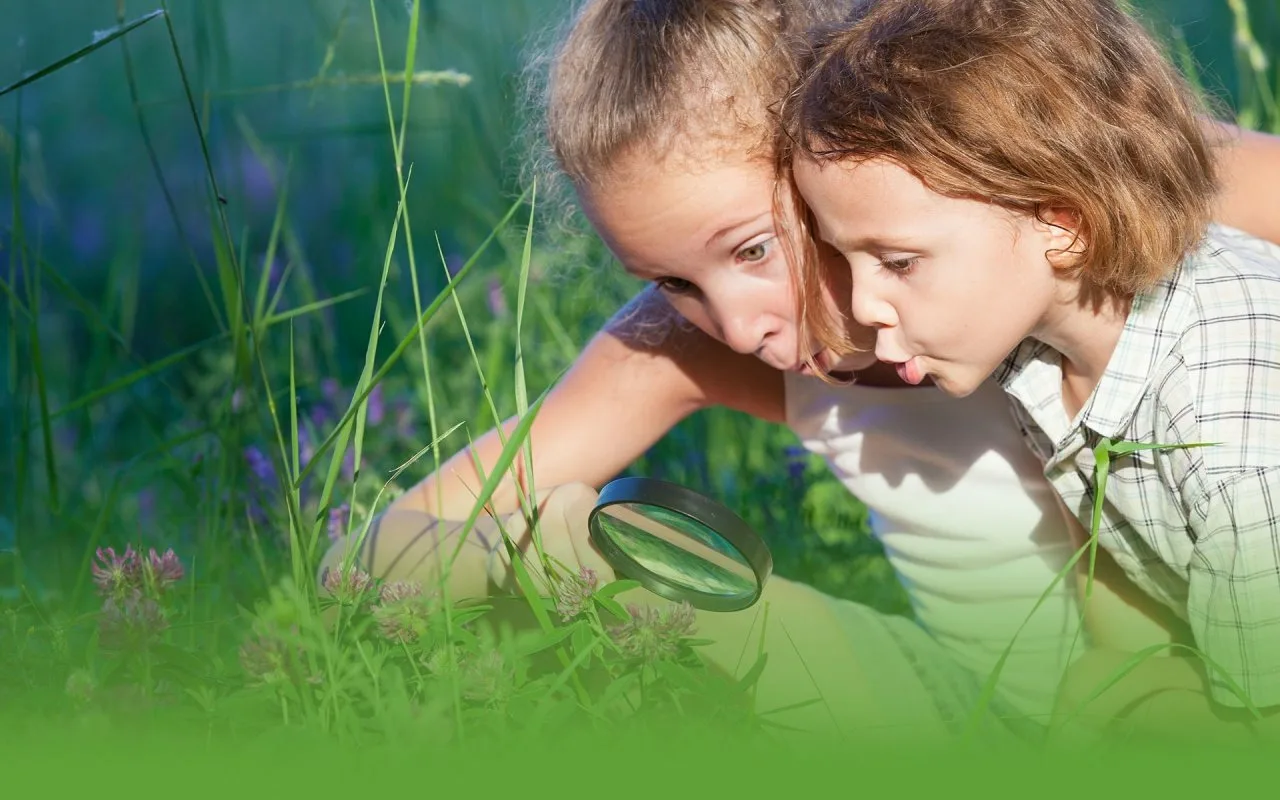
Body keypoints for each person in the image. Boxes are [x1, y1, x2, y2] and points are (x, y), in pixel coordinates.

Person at [321, 0, 1280, 748]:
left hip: (1207, 692)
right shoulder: (689, 344)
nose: (737, 327)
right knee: (613, 576)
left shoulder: (1053, 186)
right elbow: (369, 554)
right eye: (669, 279)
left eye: (750, 249)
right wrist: (522, 557)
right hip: (967, 716)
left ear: (841, 140)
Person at [783, 0, 1280, 744]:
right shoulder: (1043, 341)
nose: (862, 306)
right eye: (843, 257)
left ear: (1063, 225)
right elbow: (1115, 545)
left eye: (897, 261)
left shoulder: (1230, 431)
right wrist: (1118, 674)